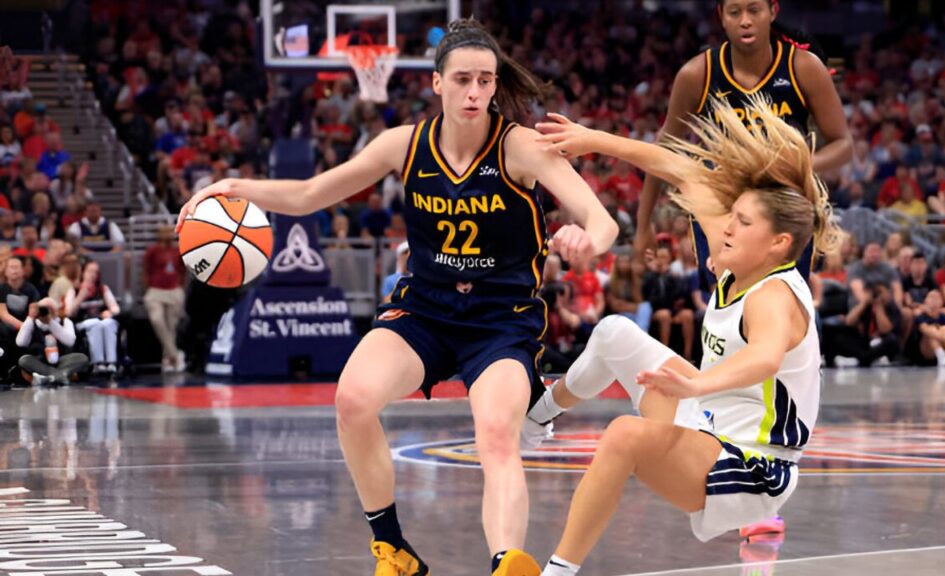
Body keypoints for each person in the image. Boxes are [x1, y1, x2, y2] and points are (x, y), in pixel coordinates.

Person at [177, 18, 617, 576]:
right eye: (462, 79)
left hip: (501, 322)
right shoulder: (403, 145)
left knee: (497, 432)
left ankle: (509, 563)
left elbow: (602, 222)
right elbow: (312, 193)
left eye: (485, 80)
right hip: (425, 309)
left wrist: (586, 239)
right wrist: (237, 187)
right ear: (437, 83)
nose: (475, 92)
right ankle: (393, 549)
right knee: (353, 399)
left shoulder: (520, 147)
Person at [529, 97, 836, 575]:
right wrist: (592, 140)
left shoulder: (773, 296)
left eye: (742, 222)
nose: (726, 227)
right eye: (731, 215)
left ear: (778, 244)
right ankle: (538, 415)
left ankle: (557, 572)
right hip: (710, 423)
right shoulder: (741, 253)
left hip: (754, 466)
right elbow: (679, 168)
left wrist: (694, 385)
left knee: (625, 436)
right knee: (613, 333)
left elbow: (765, 358)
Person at [633, 0, 851, 286]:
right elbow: (663, 150)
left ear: (773, 11)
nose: (745, 20)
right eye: (735, 12)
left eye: (754, 10)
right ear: (721, 16)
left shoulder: (803, 67)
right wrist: (643, 222)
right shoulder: (696, 74)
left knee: (784, 302)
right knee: (726, 306)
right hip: (720, 204)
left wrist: (797, 164)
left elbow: (843, 145)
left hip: (785, 202)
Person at [15, 296, 88, 386]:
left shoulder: (64, 321)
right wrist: (30, 318)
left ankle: (46, 378)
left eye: (51, 309)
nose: (47, 312)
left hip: (61, 361)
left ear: (56, 311)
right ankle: (59, 376)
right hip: (40, 362)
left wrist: (50, 322)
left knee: (82, 358)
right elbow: (20, 342)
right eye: (44, 309)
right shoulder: (32, 323)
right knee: (24, 360)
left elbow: (70, 341)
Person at [143, 225, 187, 372]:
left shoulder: (178, 250)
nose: (169, 234)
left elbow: (183, 270)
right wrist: (148, 286)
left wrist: (181, 287)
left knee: (171, 326)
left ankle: (167, 360)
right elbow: (145, 269)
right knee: (157, 319)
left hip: (174, 289)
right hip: (156, 290)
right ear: (159, 234)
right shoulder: (153, 251)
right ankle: (175, 355)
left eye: (170, 231)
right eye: (165, 231)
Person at [65, 260, 121, 373]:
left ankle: (111, 362)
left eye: (96, 272)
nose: (93, 274)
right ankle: (97, 363)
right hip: (83, 322)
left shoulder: (102, 289)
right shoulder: (74, 290)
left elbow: (116, 308)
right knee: (95, 324)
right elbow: (69, 313)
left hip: (101, 320)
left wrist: (110, 312)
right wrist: (81, 296)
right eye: (90, 271)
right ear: (83, 272)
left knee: (108, 323)